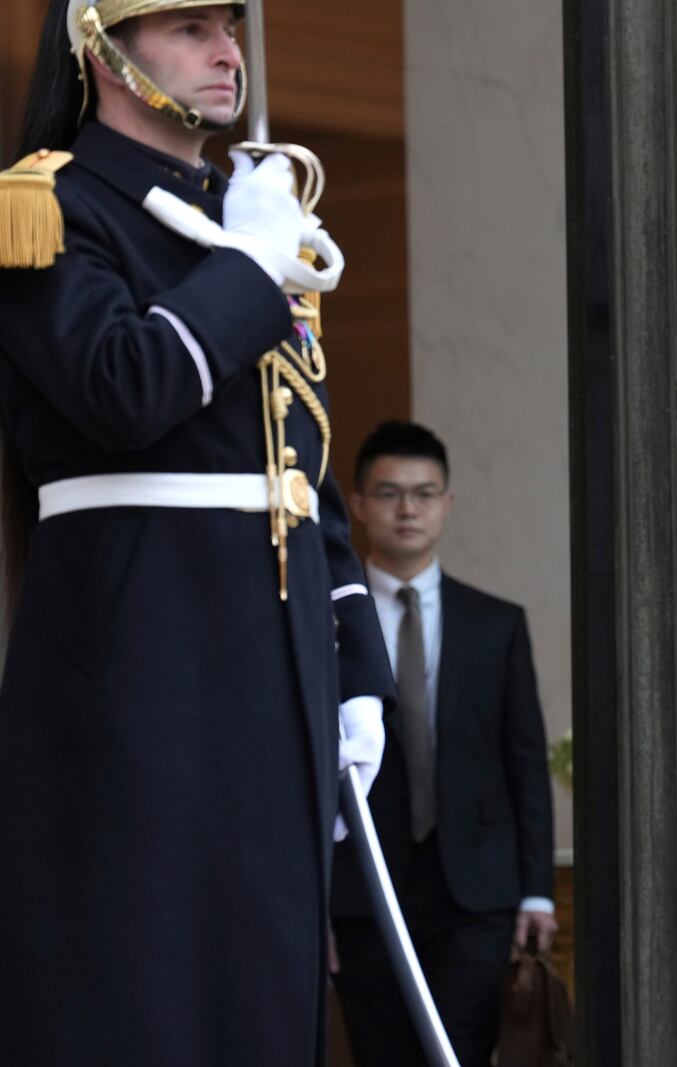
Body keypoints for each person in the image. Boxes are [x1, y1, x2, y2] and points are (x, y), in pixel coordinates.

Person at [0, 1, 391, 1063]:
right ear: (104, 51)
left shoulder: (247, 217)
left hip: (273, 666)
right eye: (188, 29)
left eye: (229, 25)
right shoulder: (47, 208)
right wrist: (250, 268)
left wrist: (356, 661)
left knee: (261, 988)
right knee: (141, 983)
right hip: (138, 659)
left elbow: (298, 459)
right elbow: (125, 385)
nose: (228, 51)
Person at [331, 421, 558, 1067]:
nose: (408, 509)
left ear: (447, 503)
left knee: (457, 1051)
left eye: (425, 493)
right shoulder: (326, 624)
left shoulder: (496, 622)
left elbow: (525, 761)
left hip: (477, 891)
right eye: (390, 492)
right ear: (357, 503)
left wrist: (537, 889)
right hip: (362, 888)